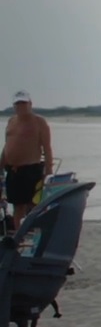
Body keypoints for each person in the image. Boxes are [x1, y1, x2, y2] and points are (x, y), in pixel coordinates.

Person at [2, 90, 55, 232]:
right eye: (17, 103)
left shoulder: (39, 122)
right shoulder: (11, 121)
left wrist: (48, 173)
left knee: (33, 205)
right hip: (13, 170)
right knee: (17, 206)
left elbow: (47, 148)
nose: (20, 106)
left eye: (23, 103)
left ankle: (33, 233)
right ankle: (19, 237)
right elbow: (7, 146)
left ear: (30, 104)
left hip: (31, 169)